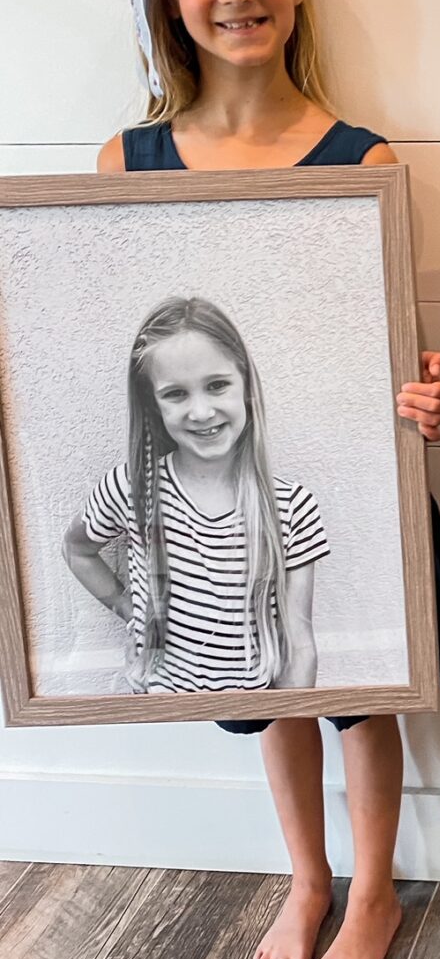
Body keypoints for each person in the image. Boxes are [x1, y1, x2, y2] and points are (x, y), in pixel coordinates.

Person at [99, 0, 440, 959]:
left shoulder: (365, 160)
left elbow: (392, 350)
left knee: (355, 684)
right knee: (266, 683)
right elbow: (113, 337)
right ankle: (306, 876)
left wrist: (418, 396)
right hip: (209, 499)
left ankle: (372, 889)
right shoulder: (127, 162)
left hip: (342, 486)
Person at [64, 297, 325, 696]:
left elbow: (301, 645)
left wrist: (286, 719)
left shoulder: (292, 508)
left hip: (253, 714)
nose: (201, 412)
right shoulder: (134, 488)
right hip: (161, 713)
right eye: (176, 394)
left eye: (217, 385)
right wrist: (125, 606)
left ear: (247, 387)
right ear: (154, 404)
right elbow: (77, 549)